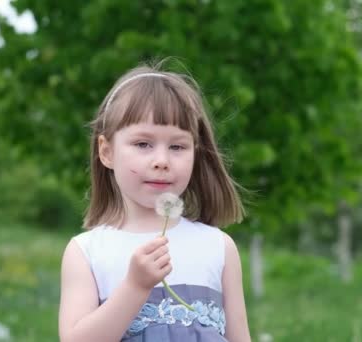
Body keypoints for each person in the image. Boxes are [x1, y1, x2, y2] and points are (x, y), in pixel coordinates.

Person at [58, 60, 251, 342]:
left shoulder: (219, 247)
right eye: (143, 144)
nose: (161, 161)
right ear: (107, 151)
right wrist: (135, 286)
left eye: (177, 146)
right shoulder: (87, 252)